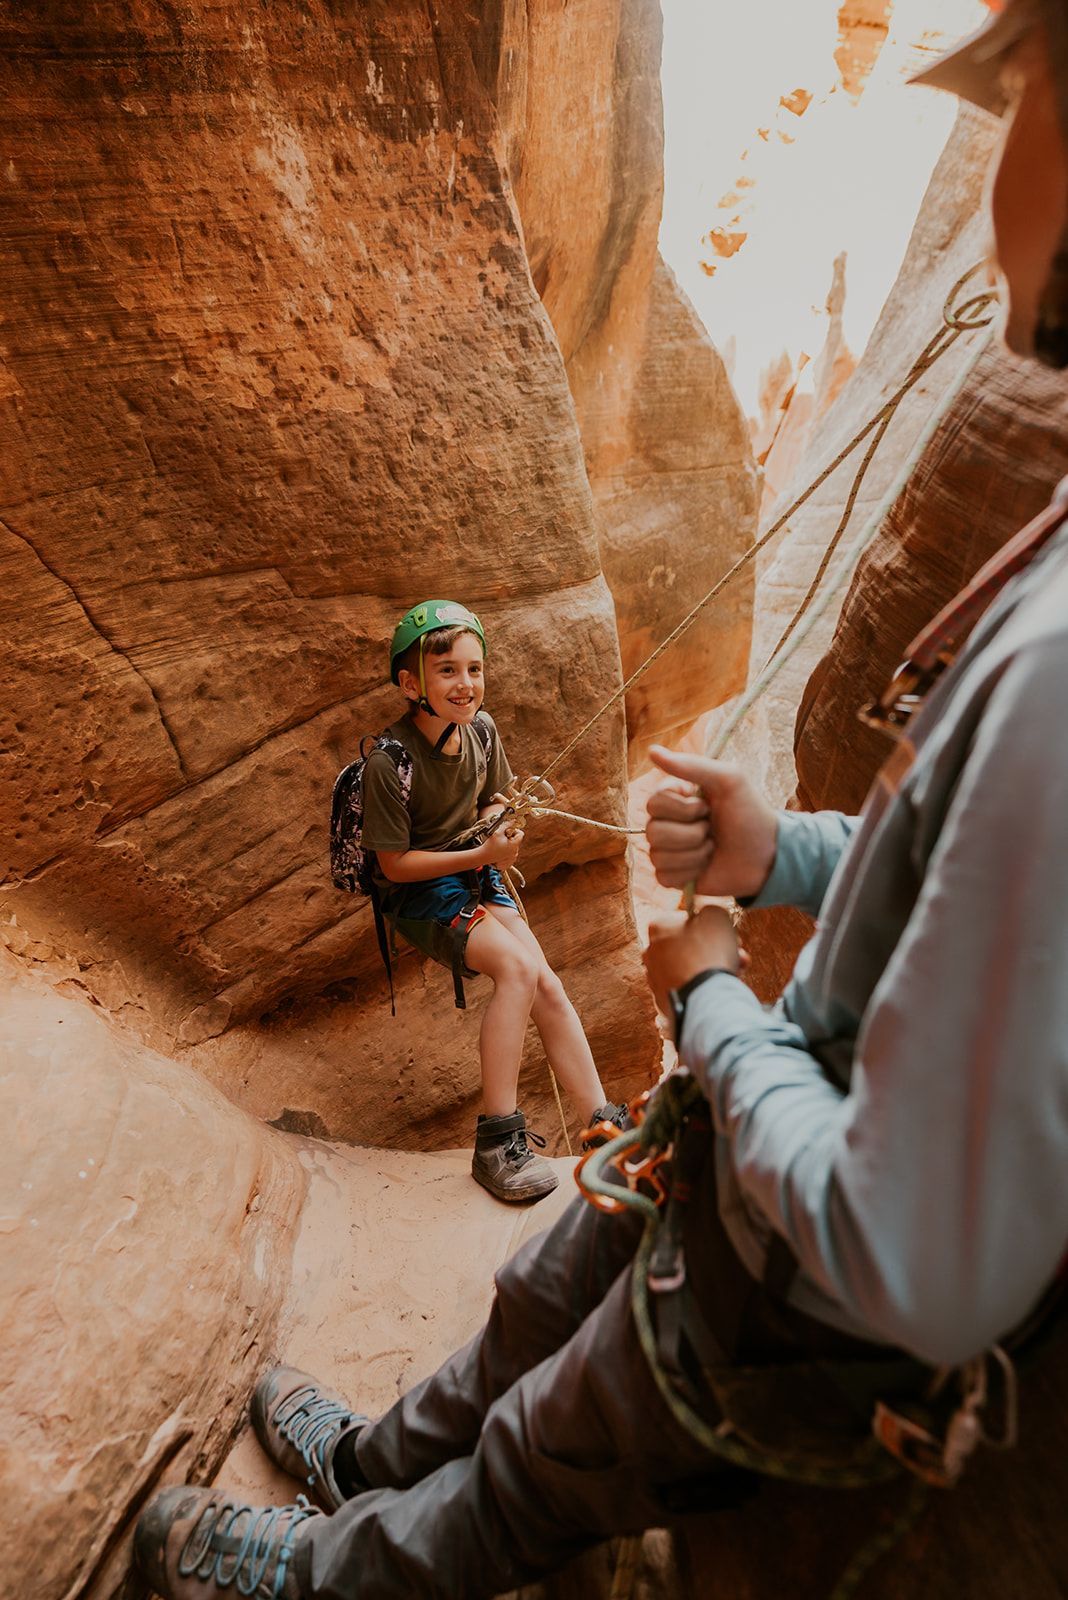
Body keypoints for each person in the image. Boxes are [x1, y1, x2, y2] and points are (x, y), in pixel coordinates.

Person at [133, 3, 1068, 1595]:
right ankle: (366, 1457)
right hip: (723, 1132)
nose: (1001, 173)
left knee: (538, 1463)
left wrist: (710, 1005)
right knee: (530, 1305)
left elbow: (918, 1255)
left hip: (788, 1272)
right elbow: (969, 876)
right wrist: (791, 853)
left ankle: (324, 1570)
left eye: (1030, 95)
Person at [357, 598, 626, 1203]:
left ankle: (604, 1128)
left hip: (475, 871)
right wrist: (483, 856)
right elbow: (393, 864)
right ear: (410, 683)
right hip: (419, 893)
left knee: (547, 984)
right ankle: (495, 1143)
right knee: (515, 968)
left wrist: (502, 820)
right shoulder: (389, 762)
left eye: (474, 669)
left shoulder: (480, 730)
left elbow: (493, 798)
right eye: (447, 669)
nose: (465, 683)